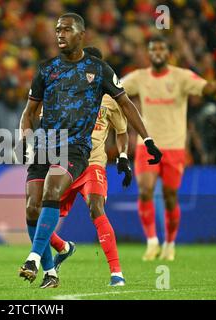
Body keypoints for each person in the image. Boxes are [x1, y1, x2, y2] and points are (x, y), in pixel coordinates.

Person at [17, 13, 162, 289]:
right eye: (57, 30)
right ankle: (51, 272)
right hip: (45, 147)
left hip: (76, 150)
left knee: (55, 193)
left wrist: (147, 140)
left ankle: (35, 257)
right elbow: (29, 113)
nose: (60, 34)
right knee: (31, 208)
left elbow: (127, 105)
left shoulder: (100, 70)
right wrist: (27, 138)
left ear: (81, 34)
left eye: (66, 30)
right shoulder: (47, 70)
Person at [121, 35, 216, 261]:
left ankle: (170, 243)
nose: (157, 53)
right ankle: (152, 242)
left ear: (169, 53)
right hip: (149, 145)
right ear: (149, 54)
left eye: (161, 49)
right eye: (153, 50)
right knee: (145, 190)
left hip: (174, 147)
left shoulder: (181, 77)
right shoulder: (140, 77)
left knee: (170, 195)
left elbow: (208, 90)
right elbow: (114, 86)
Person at [44, 47, 131, 287]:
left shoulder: (110, 99)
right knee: (38, 214)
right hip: (66, 162)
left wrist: (122, 156)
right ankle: (63, 248)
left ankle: (116, 273)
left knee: (96, 207)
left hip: (93, 164)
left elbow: (122, 132)